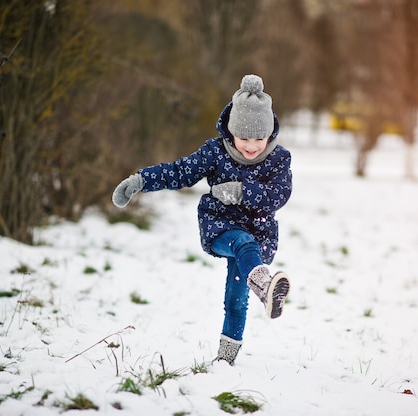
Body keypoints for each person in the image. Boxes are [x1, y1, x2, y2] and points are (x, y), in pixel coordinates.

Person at [112, 74, 292, 366]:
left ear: (269, 133)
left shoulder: (279, 159)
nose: (251, 146)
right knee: (241, 242)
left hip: (259, 236)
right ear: (231, 131)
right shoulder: (215, 152)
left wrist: (242, 191)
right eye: (244, 138)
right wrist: (141, 180)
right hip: (220, 226)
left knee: (235, 300)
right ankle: (264, 285)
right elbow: (180, 171)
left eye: (259, 138)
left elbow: (279, 195)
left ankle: (225, 361)